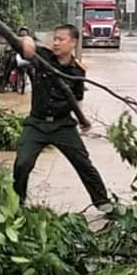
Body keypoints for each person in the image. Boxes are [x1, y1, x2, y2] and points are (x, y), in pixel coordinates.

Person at [13, 24, 110, 208]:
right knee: (22, 164)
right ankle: (17, 204)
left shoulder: (78, 71)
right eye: (54, 39)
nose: (56, 43)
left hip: (63, 125)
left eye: (61, 39)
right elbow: (23, 46)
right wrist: (25, 41)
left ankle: (104, 204)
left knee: (84, 164)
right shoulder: (42, 57)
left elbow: (78, 100)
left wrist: (83, 121)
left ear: (73, 42)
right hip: (37, 124)